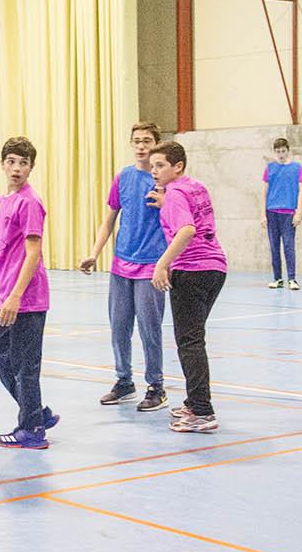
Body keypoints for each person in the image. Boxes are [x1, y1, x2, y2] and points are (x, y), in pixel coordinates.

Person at [79, 122, 169, 410]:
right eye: (137, 141)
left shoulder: (165, 182)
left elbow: (180, 224)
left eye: (147, 141)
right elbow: (110, 219)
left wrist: (167, 264)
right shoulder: (123, 177)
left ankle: (156, 387)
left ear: (156, 144)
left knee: (149, 329)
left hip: (151, 266)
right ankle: (124, 381)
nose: (141, 146)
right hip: (121, 265)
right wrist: (95, 252)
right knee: (119, 327)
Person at [149, 141, 228, 434]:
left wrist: (162, 264)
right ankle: (195, 402)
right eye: (153, 166)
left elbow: (187, 230)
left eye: (160, 166)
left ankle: (203, 412)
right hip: (215, 269)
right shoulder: (195, 187)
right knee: (194, 338)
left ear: (177, 166)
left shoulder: (175, 195)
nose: (154, 172)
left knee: (190, 342)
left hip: (192, 270)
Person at [0, 137, 59, 450]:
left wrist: (17, 295)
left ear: (31, 167)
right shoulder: (7, 200)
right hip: (7, 293)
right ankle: (36, 412)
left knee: (25, 365)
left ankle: (31, 429)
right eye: (12, 161)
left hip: (26, 298)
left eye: (23, 163)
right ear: (3, 163)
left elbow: (33, 252)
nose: (17, 168)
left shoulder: (30, 202)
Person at [261, 136, 302, 289]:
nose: (281, 154)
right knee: (274, 246)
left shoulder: (296, 168)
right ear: (275, 152)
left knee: (288, 245)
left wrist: (298, 212)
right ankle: (277, 278)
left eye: (283, 151)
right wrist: (263, 214)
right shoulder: (270, 168)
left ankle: (292, 279)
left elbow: (301, 190)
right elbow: (265, 193)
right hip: (271, 212)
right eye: (278, 151)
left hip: (288, 213)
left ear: (288, 151)